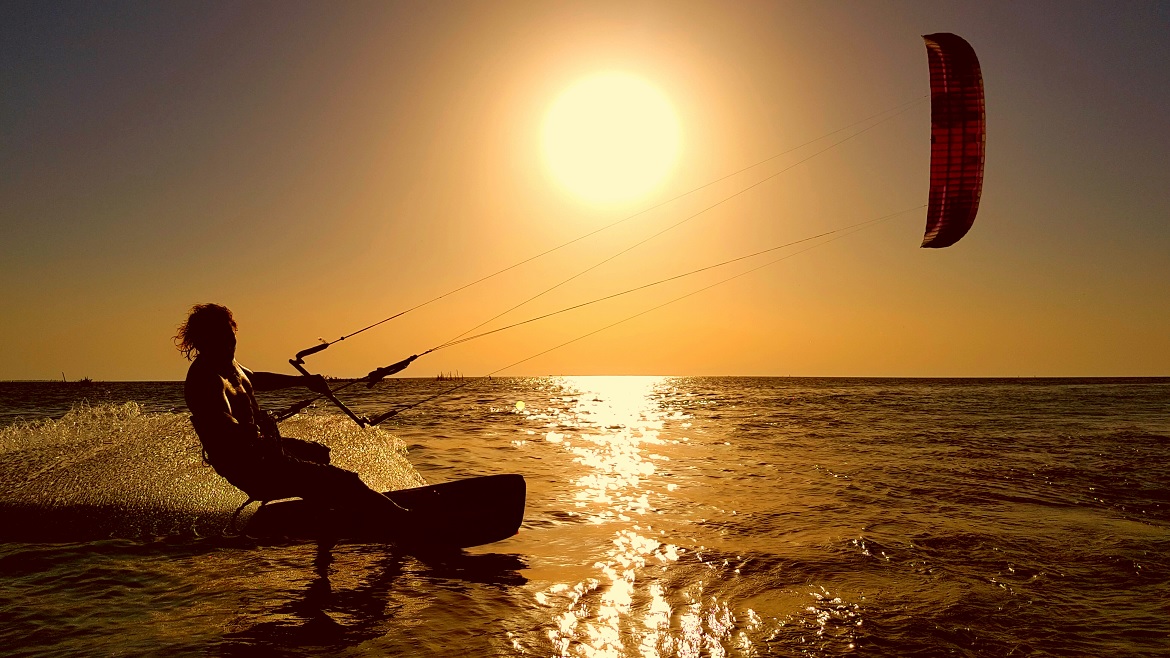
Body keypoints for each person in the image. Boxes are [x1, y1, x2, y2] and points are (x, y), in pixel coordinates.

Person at [175, 303, 405, 518]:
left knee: (318, 454)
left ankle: (324, 518)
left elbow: (254, 379)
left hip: (267, 454)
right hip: (251, 468)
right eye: (219, 338)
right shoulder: (205, 378)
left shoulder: (229, 364)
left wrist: (303, 381)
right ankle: (405, 521)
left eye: (229, 335)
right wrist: (253, 432)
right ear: (203, 341)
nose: (228, 342)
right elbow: (221, 423)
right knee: (346, 481)